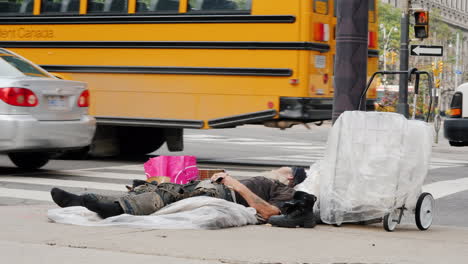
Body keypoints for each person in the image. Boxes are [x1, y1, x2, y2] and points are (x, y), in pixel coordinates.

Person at [50, 166, 316, 227]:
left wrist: (234, 184)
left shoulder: (284, 188)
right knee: (157, 187)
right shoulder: (268, 178)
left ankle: (116, 209)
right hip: (216, 185)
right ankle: (82, 201)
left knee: (166, 194)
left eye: (282, 168)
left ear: (289, 175)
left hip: (227, 194)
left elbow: (271, 213)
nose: (276, 169)